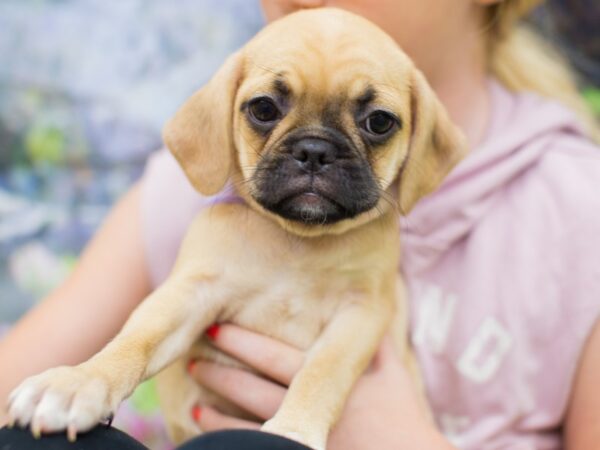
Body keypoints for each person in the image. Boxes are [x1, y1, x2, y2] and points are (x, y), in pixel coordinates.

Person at [1, 0, 599, 449]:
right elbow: (17, 386)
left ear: (426, 148)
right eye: (266, 111)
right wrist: (94, 380)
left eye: (375, 123)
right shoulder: (180, 203)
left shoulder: (577, 213)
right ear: (224, 119)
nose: (313, 156)